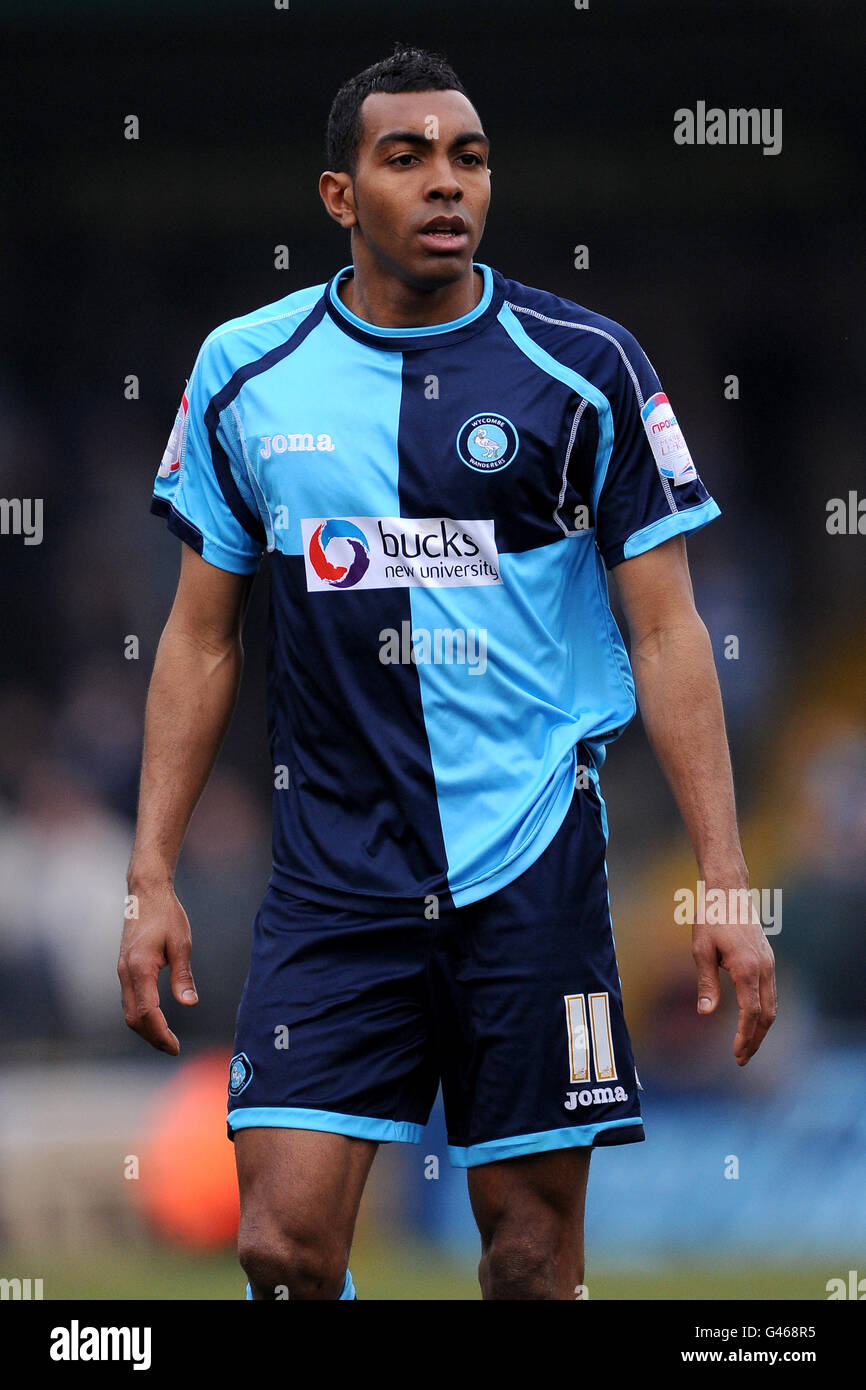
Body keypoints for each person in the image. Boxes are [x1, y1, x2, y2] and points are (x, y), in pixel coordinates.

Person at [118, 43, 777, 1301]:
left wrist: (725, 882)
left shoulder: (586, 367)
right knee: (279, 1244)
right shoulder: (243, 374)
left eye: (467, 157)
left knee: (529, 1261)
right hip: (332, 873)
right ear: (337, 195)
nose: (445, 183)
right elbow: (200, 636)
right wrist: (148, 873)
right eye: (405, 155)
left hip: (528, 864)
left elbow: (668, 633)